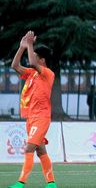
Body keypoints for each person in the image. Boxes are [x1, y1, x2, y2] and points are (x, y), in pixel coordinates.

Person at [9, 31, 57, 188]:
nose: (32, 58)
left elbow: (30, 62)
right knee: (41, 151)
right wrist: (22, 47)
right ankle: (51, 184)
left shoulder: (47, 73)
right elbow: (14, 65)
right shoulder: (31, 74)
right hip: (31, 117)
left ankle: (21, 183)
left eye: (35, 56)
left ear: (41, 60)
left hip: (42, 117)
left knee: (29, 148)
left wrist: (30, 44)